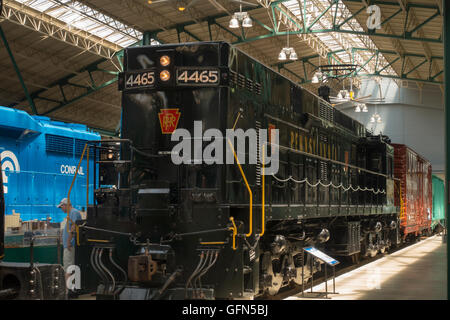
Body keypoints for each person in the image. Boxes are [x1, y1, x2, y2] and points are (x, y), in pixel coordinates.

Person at [57, 198, 81, 295]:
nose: (61, 209)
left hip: (70, 245)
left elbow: (73, 227)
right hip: (69, 245)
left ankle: (67, 291)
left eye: (61, 206)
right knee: (70, 267)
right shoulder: (71, 214)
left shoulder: (73, 212)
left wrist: (68, 241)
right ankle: (71, 290)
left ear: (66, 205)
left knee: (68, 267)